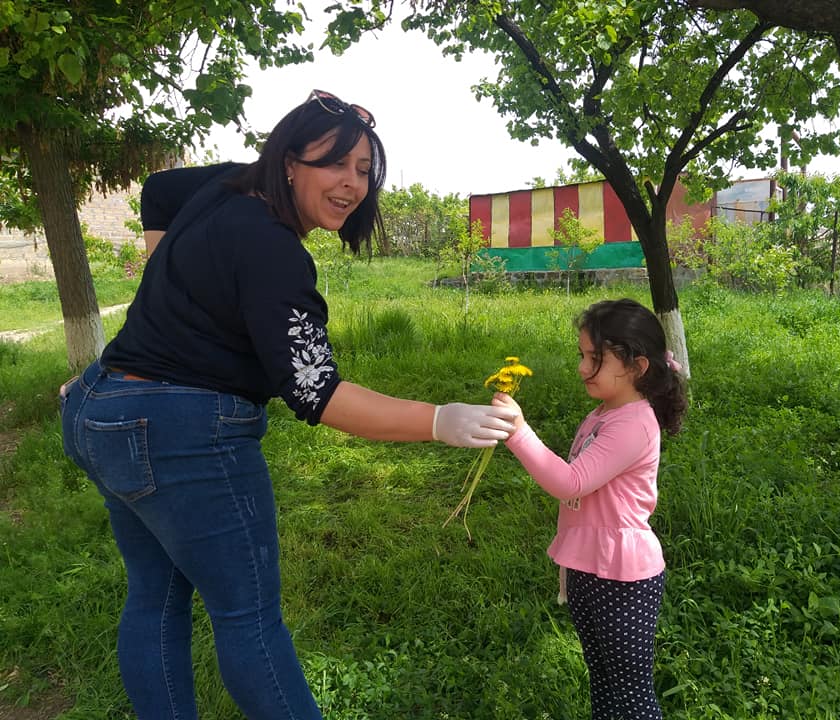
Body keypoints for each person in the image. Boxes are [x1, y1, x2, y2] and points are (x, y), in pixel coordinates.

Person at [59, 89, 517, 720]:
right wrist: (440, 419)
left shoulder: (227, 189)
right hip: (181, 436)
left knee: (155, 597)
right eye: (335, 163)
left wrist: (166, 299)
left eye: (363, 170)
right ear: (290, 161)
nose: (352, 185)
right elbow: (316, 392)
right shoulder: (273, 249)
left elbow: (161, 189)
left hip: (99, 409)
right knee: (248, 619)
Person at [492, 298, 687, 720]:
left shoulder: (633, 424)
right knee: (602, 680)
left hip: (623, 579)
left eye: (595, 359)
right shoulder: (604, 413)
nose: (583, 368)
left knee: (631, 697)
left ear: (637, 367)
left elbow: (570, 482)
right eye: (582, 356)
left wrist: (518, 432)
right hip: (589, 570)